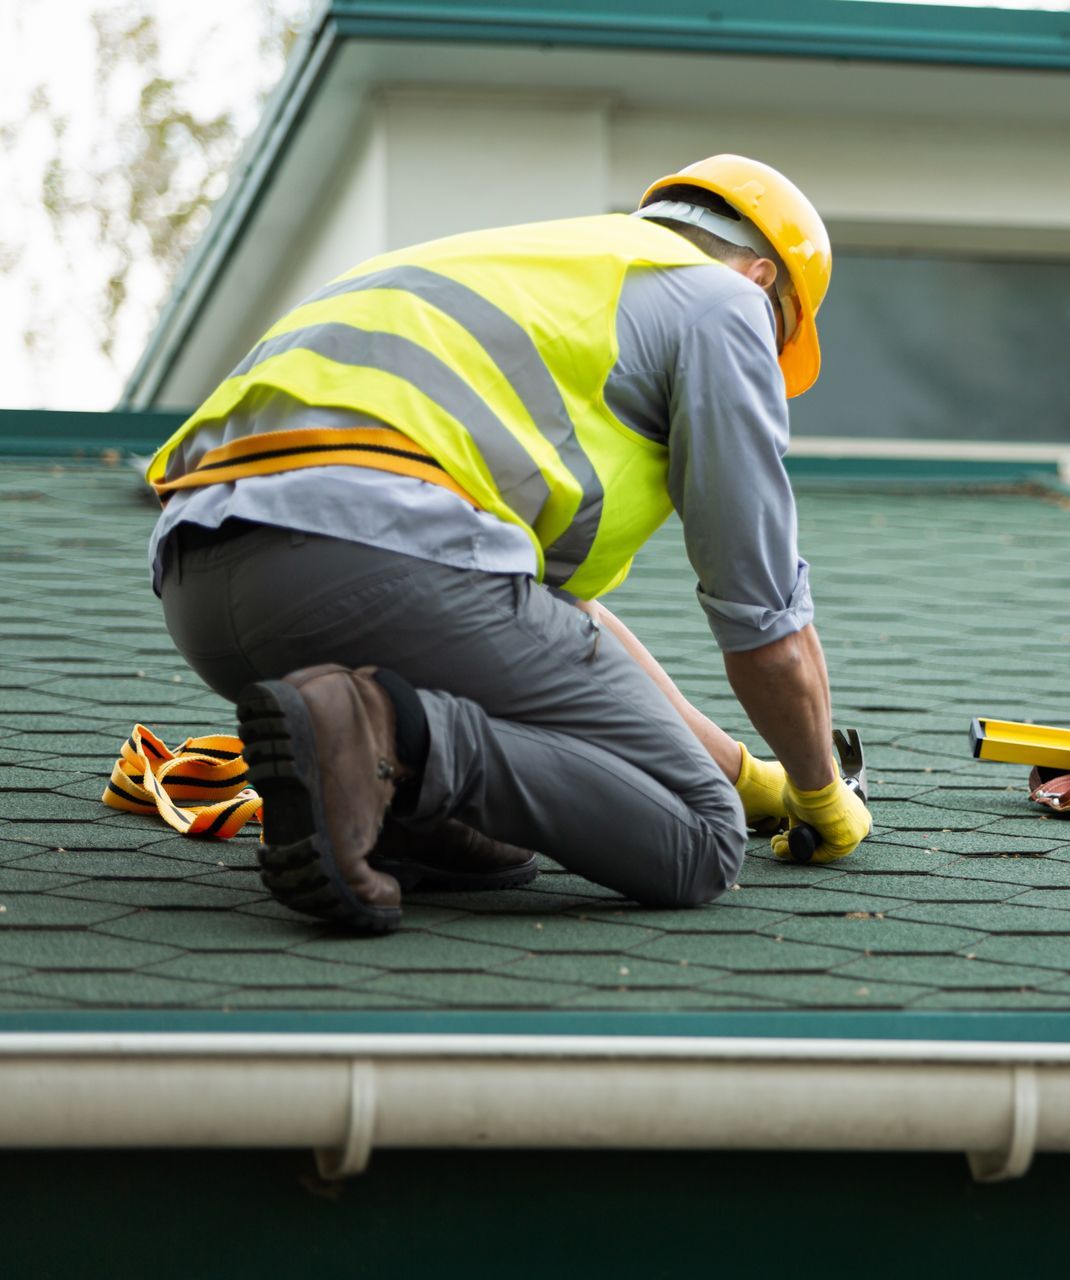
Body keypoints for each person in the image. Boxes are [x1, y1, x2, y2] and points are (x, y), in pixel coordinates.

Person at [144, 154, 871, 934]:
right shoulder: (723, 300)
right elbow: (765, 624)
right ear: (763, 279)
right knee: (698, 838)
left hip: (200, 586)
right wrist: (819, 788)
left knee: (494, 844)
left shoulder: (539, 265)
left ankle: (387, 796)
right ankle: (383, 732)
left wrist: (746, 775)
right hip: (381, 566)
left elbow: (556, 616)